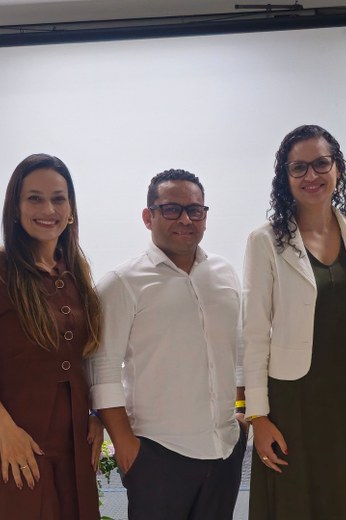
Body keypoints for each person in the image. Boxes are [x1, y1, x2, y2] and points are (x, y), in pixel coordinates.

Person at [243, 125, 346, 519]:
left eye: (321, 164)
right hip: (297, 398)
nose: (311, 176)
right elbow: (254, 334)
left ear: (338, 168)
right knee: (303, 501)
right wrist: (258, 417)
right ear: (285, 177)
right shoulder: (265, 241)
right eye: (298, 167)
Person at [0, 154, 103, 519]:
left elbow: (86, 354)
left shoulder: (76, 271)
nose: (48, 209)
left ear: (71, 210)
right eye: (34, 198)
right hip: (11, 432)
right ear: (15, 209)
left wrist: (95, 414)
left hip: (73, 437)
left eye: (58, 198)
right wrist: (8, 432)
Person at [88, 169, 246, 519]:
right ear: (149, 217)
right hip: (157, 457)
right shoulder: (121, 283)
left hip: (225, 451)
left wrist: (241, 416)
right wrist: (127, 448)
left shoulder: (224, 274)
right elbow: (103, 370)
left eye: (195, 210)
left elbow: (239, 353)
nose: (185, 219)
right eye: (172, 209)